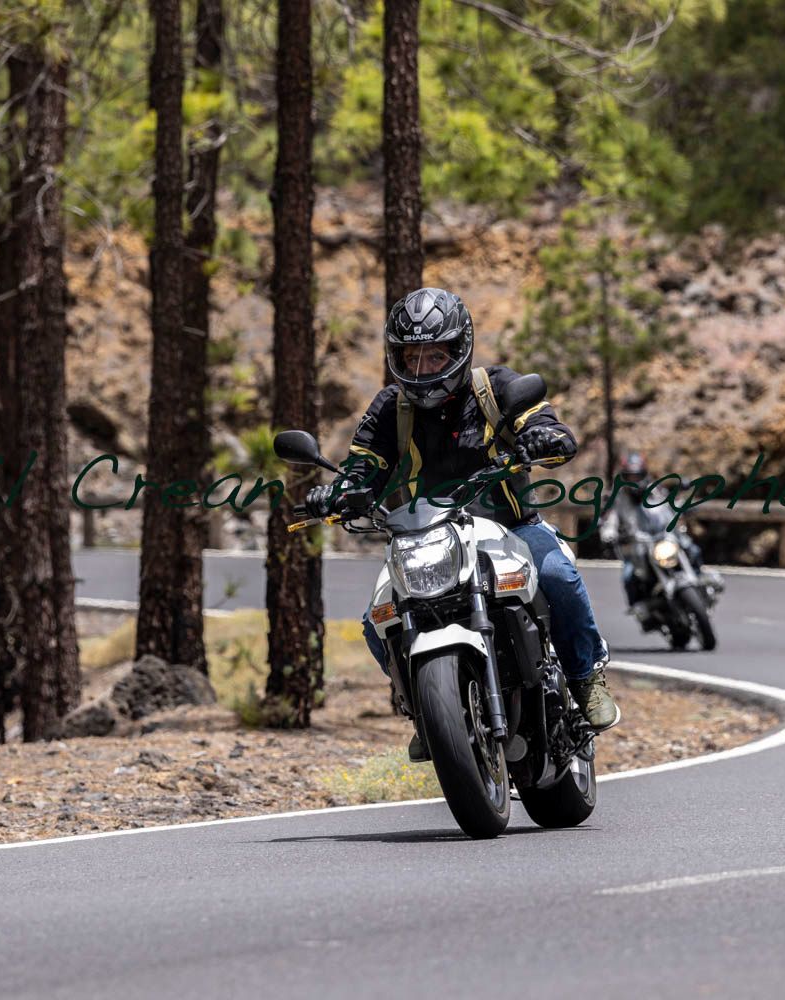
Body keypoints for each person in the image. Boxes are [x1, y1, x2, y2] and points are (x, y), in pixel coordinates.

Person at [306, 288, 618, 763]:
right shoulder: (390, 408)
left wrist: (544, 436)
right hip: (426, 536)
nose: (422, 368)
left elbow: (545, 422)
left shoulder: (495, 388)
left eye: (435, 355)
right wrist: (339, 492)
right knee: (377, 622)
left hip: (510, 528)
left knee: (558, 575)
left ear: (459, 349)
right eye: (411, 357)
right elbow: (364, 464)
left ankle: (585, 678)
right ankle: (428, 710)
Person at [598, 452, 722, 614]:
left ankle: (700, 577)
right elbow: (610, 521)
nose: (635, 481)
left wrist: (684, 506)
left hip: (664, 536)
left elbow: (670, 503)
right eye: (631, 477)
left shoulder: (656, 489)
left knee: (692, 549)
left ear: (644, 474)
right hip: (639, 545)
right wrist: (608, 535)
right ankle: (640, 609)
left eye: (637, 476)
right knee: (629, 576)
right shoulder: (618, 498)